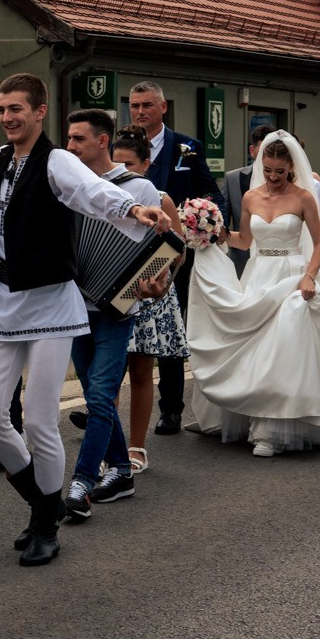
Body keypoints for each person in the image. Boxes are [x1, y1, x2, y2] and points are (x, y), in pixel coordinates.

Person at [0, 75, 168, 565]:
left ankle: (44, 525)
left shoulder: (58, 161)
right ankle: (44, 503)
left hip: (50, 306)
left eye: (16, 109)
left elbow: (93, 193)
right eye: (1, 109)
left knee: (41, 421)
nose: (7, 117)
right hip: (3, 302)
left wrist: (134, 208)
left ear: (41, 112)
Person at [185, 132, 320, 455]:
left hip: (293, 276)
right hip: (258, 276)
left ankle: (272, 429)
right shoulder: (252, 197)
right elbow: (245, 240)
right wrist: (214, 232)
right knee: (254, 348)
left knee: (284, 340)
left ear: (290, 168)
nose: (272, 177)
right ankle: (251, 413)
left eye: (279, 171)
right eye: (267, 169)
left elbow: (319, 243)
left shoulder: (303, 197)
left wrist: (309, 277)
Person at [61, 111, 175, 520]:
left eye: (78, 139)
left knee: (99, 395)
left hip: (117, 305)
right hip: (73, 305)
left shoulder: (140, 188)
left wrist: (155, 281)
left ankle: (82, 483)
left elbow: (166, 250)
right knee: (96, 394)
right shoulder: (67, 186)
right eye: (68, 139)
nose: (70, 146)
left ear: (102, 141)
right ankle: (123, 473)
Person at [129, 80, 219, 436]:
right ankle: (99, 406)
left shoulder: (187, 147)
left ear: (162, 107)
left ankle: (170, 409)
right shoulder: (121, 144)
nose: (139, 112)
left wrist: (205, 219)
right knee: (120, 327)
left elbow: (209, 191)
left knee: (167, 327)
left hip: (170, 252)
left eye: (147, 105)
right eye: (134, 105)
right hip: (125, 251)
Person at [115, 127, 188, 475]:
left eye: (128, 165)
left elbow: (178, 252)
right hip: (109, 294)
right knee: (108, 376)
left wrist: (159, 276)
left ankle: (136, 446)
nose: (120, 171)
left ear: (146, 164)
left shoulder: (160, 198)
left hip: (146, 295)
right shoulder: (100, 194)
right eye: (115, 164)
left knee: (142, 371)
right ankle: (108, 446)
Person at [223, 126, 271, 277]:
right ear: (252, 150)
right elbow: (224, 220)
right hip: (241, 261)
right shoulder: (233, 178)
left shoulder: (291, 184)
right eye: (264, 150)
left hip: (276, 262)